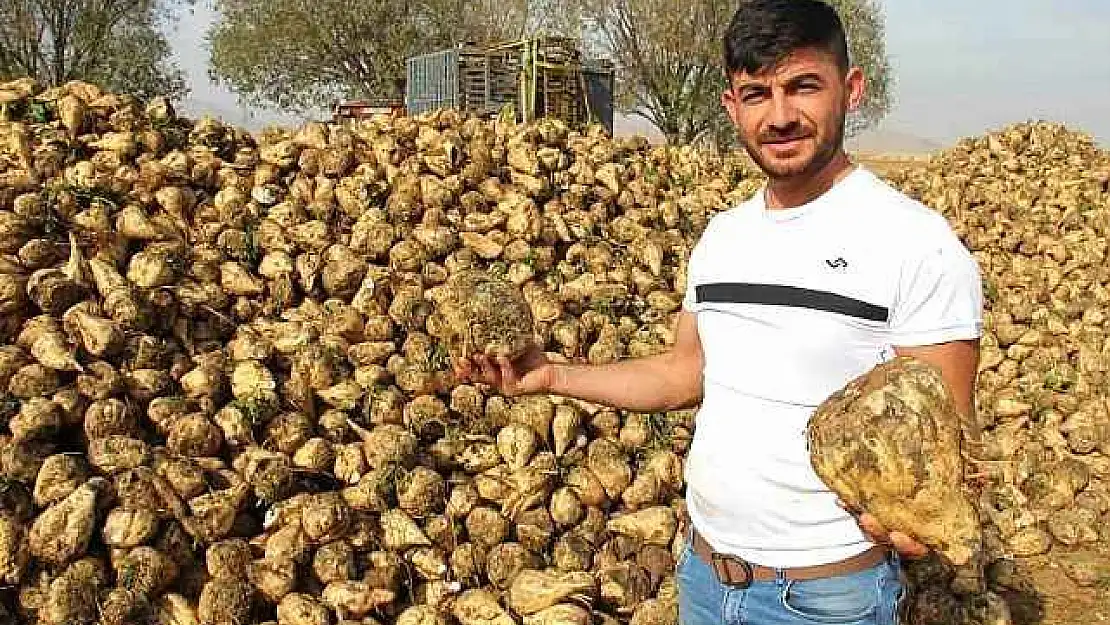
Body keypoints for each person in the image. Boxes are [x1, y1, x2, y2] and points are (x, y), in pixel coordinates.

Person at [453, 0, 984, 623]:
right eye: (756, 94)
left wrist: (914, 521)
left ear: (852, 88)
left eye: (802, 87)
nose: (780, 115)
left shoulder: (916, 242)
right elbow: (686, 374)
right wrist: (553, 376)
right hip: (706, 579)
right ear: (732, 106)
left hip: (825, 598)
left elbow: (946, 436)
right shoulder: (723, 239)